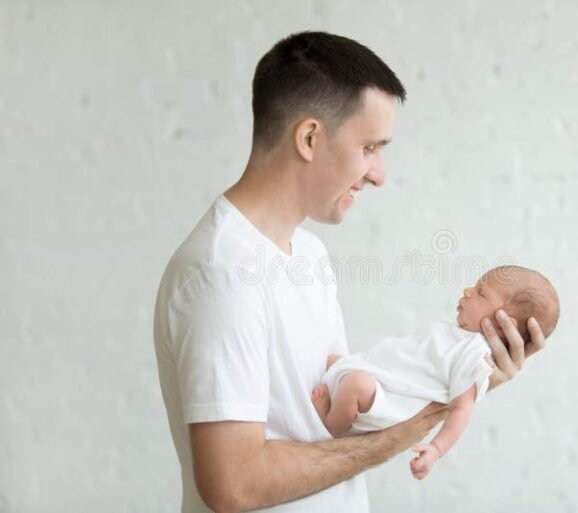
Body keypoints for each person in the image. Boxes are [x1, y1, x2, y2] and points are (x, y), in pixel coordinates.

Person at [153, 31, 547, 513]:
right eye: (370, 148)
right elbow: (234, 484)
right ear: (310, 137)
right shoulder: (223, 273)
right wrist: (408, 430)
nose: (380, 173)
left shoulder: (309, 255)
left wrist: (461, 379)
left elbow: (330, 424)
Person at [312, 265, 560, 480]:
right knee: (336, 361)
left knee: (356, 384)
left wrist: (436, 449)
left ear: (504, 323)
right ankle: (339, 399)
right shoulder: (458, 336)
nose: (468, 291)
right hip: (380, 378)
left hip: (390, 400)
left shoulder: (475, 355)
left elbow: (462, 408)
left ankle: (330, 429)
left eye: (481, 293)